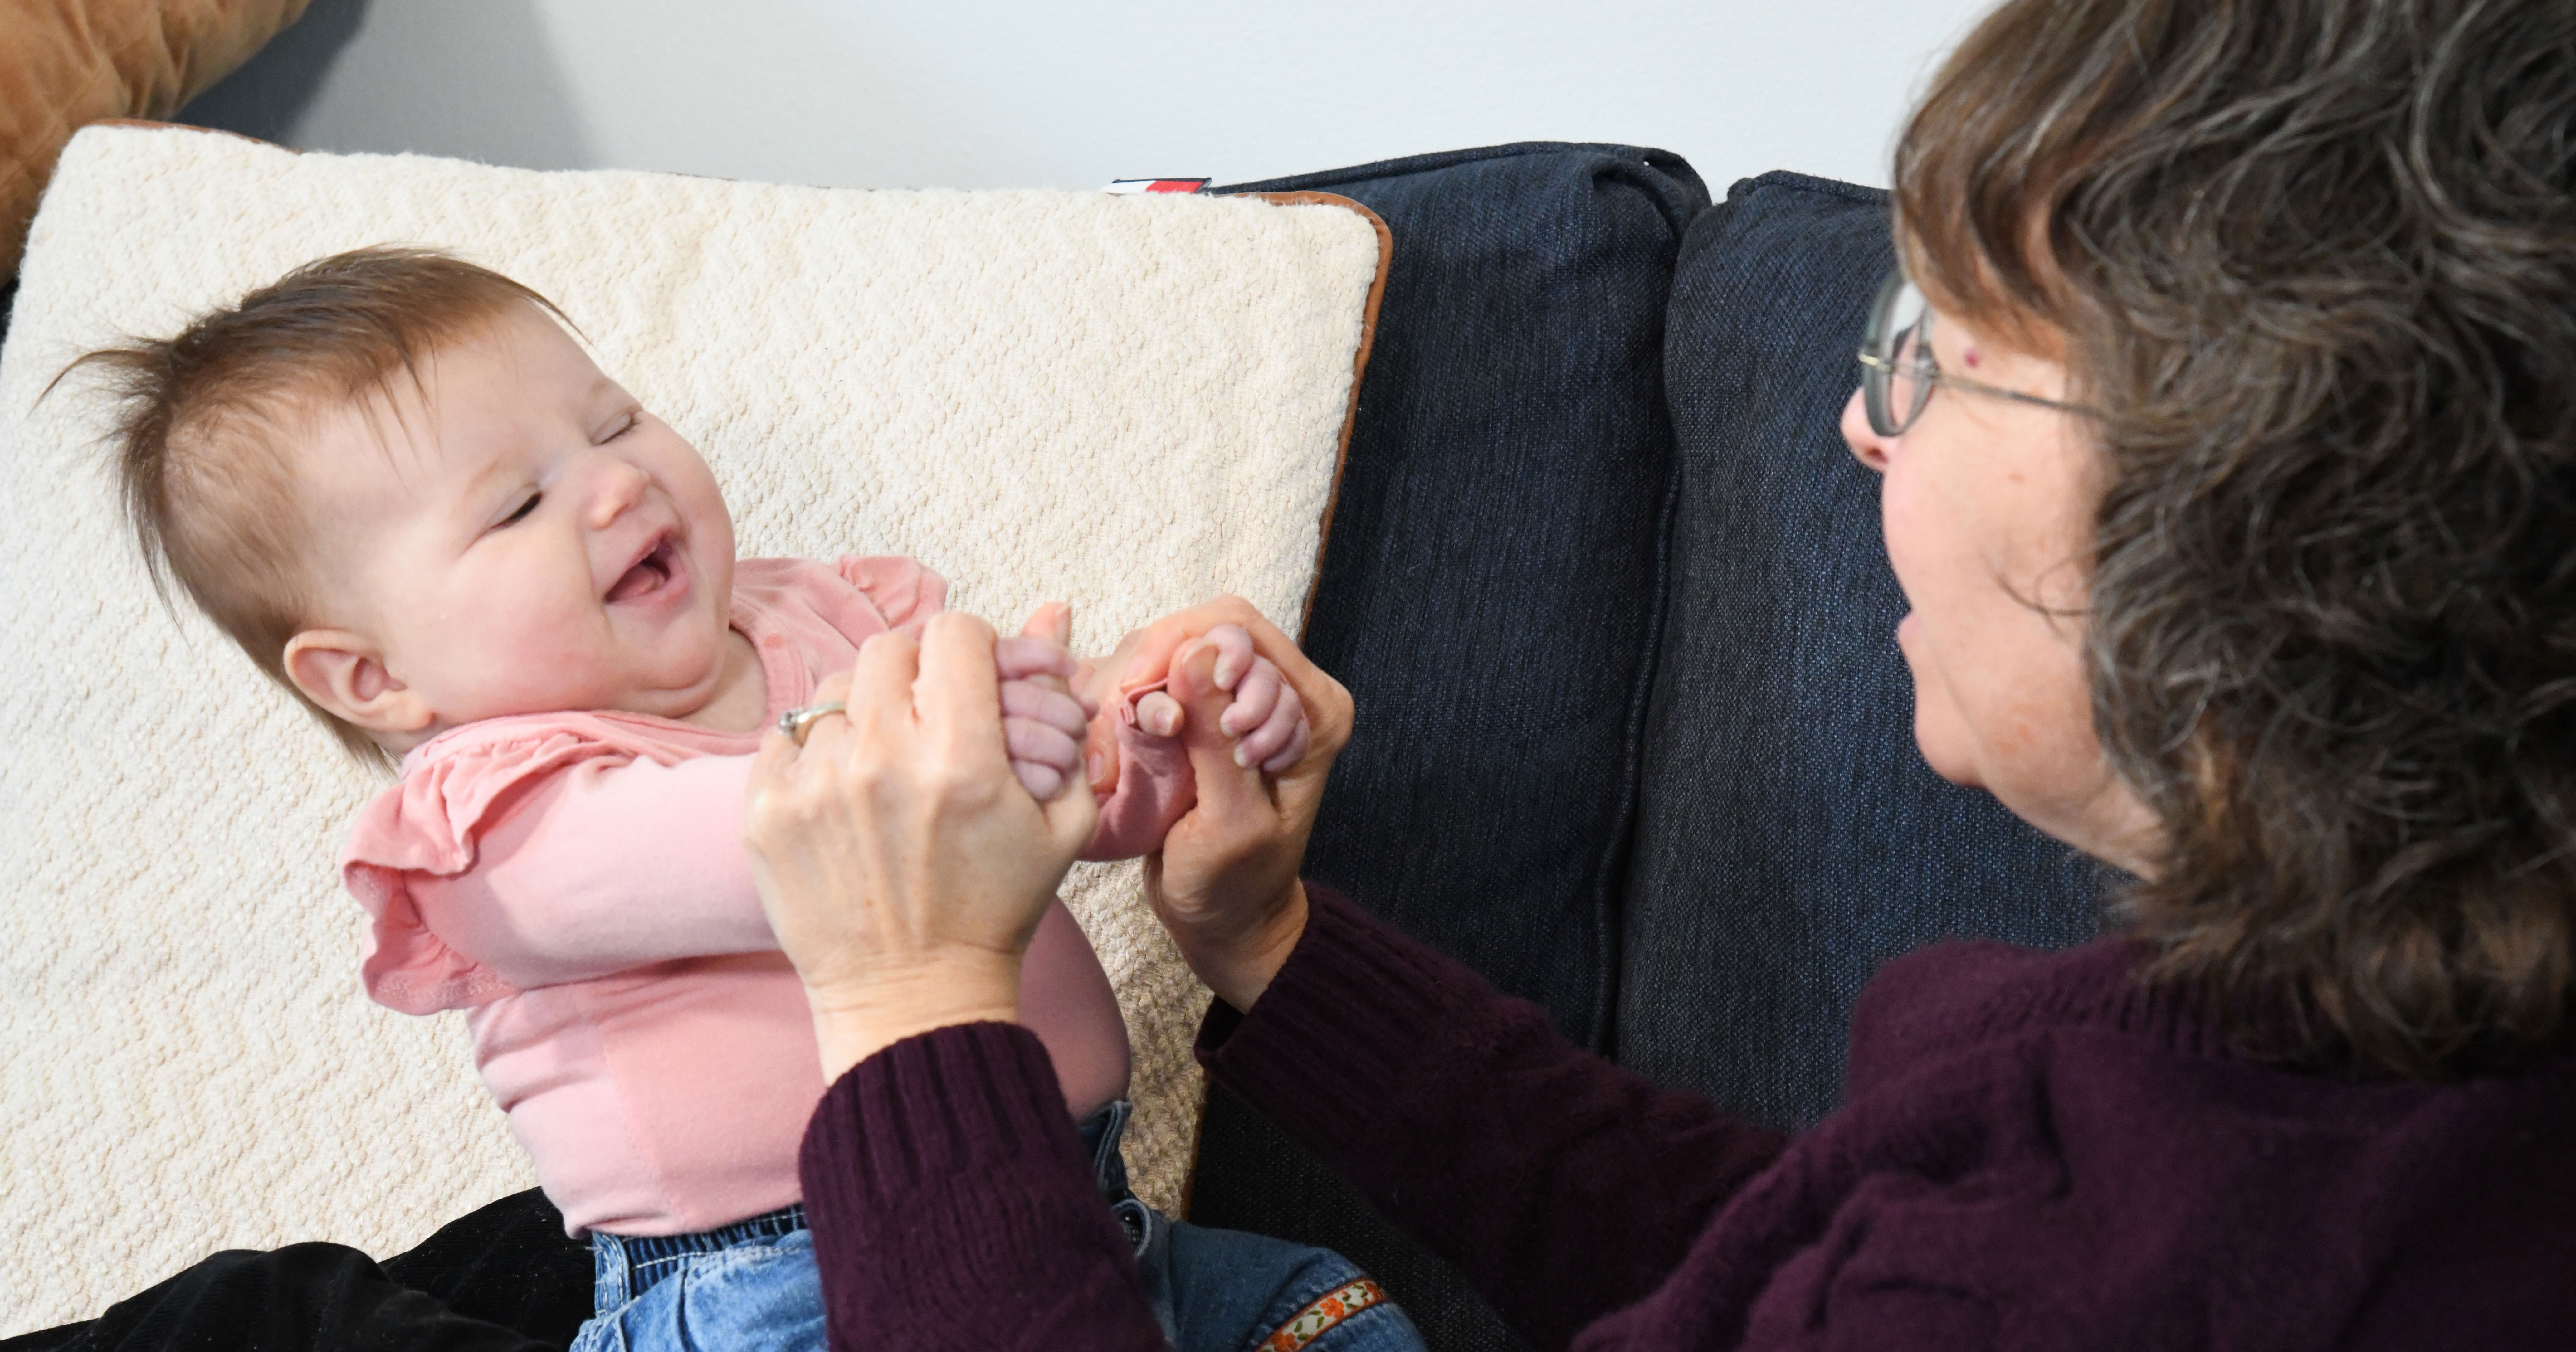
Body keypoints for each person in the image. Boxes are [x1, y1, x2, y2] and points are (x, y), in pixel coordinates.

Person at [743, 0, 2576, 1347]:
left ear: (2261, 513)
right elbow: (1771, 1259)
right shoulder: (2322, 1063)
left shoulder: (2146, 1258)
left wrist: (912, 1004)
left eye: (1941, 349)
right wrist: (1275, 945)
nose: (1863, 424)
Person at [57, 249, 1422, 1352]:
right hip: (770, 1300)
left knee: (1329, 1310)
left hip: (1082, 1213)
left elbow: (1034, 829)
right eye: (520, 504)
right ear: (372, 673)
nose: (615, 480)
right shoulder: (498, 825)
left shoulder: (814, 624)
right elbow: (781, 841)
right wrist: (984, 740)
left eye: (613, 419)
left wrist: (1157, 736)